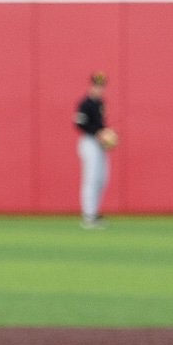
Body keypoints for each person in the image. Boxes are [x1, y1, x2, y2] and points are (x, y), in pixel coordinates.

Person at [73, 71, 117, 228]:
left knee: (102, 179)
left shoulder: (100, 103)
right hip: (89, 142)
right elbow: (79, 124)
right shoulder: (85, 103)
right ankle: (88, 215)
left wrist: (107, 133)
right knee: (91, 179)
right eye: (97, 85)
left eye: (101, 86)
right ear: (91, 85)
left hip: (99, 144)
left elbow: (100, 124)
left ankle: (95, 213)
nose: (99, 88)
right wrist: (98, 133)